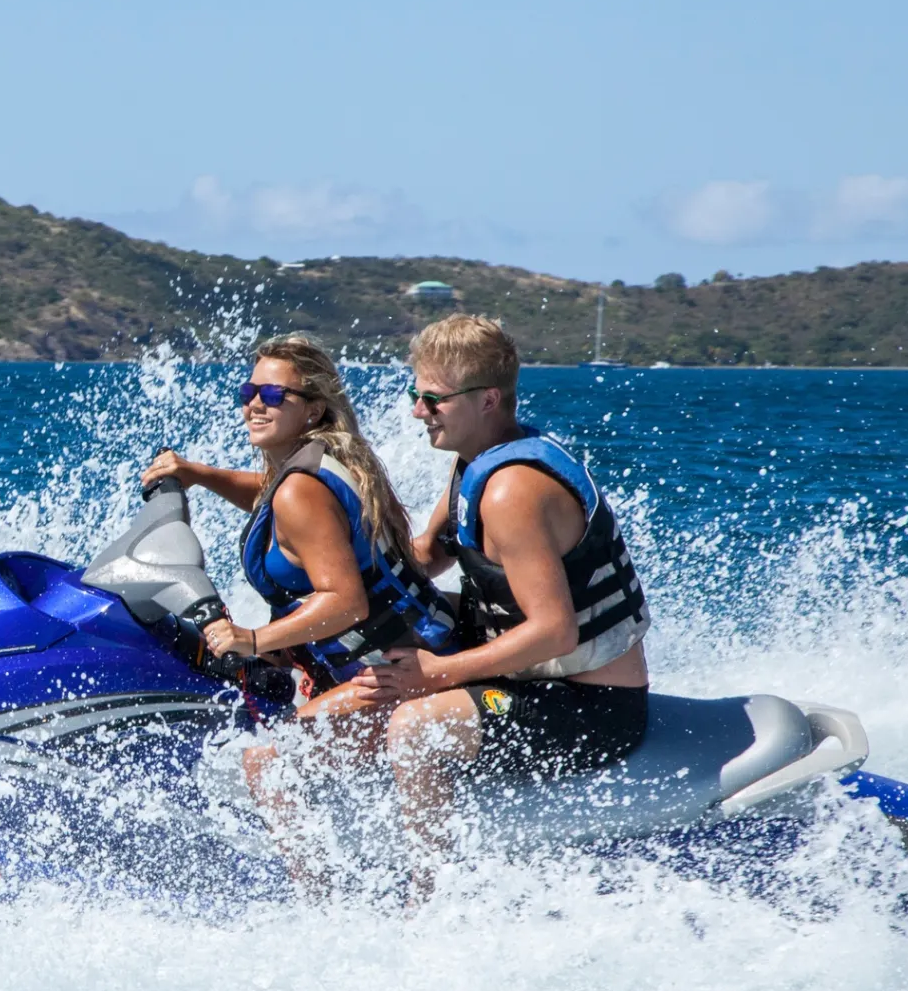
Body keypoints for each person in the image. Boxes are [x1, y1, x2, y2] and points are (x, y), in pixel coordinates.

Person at [356, 314, 651, 840]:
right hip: (528, 676)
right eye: (415, 394)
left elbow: (554, 632)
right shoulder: (474, 463)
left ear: (487, 400)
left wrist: (436, 675)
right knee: (379, 624)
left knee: (414, 729)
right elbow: (428, 556)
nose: (417, 410)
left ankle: (429, 898)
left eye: (434, 399)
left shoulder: (513, 491)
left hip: (589, 708)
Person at [140, 333, 455, 729]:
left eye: (273, 394)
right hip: (405, 652)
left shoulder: (301, 490)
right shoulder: (320, 465)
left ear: (313, 409)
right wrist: (199, 474)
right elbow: (272, 500)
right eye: (249, 390)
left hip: (393, 673)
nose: (255, 403)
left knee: (268, 758)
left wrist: (252, 639)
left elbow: (347, 603)